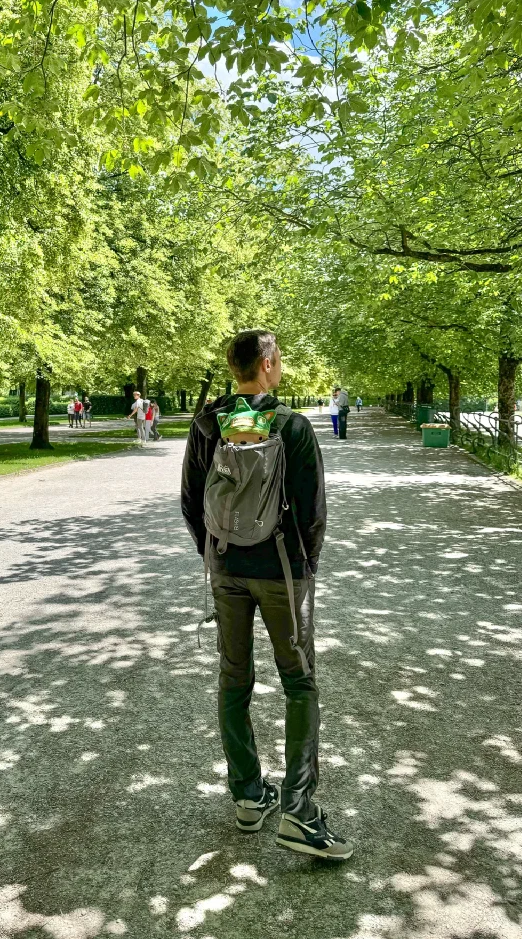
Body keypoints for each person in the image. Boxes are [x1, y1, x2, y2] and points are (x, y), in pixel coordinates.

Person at [181, 328, 353, 860]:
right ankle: (299, 811)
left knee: (234, 678)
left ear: (234, 368)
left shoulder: (209, 422)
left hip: (226, 568)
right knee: (299, 684)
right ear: (270, 364)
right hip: (283, 571)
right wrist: (306, 568)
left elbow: (191, 502)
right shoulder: (291, 425)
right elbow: (313, 511)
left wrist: (217, 556)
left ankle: (249, 796)